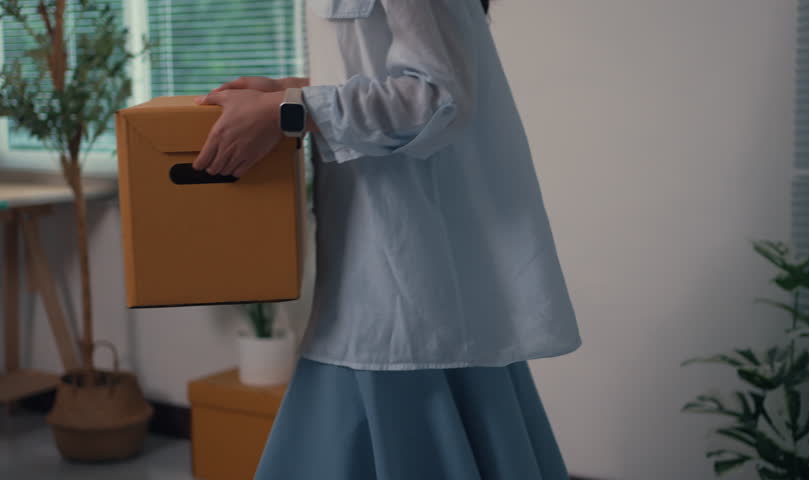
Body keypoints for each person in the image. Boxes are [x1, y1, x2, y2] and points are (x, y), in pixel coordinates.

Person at [192, 1, 581, 478]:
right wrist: (287, 92)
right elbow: (370, 67)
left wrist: (288, 111)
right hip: (375, 248)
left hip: (406, 260)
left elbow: (437, 96)